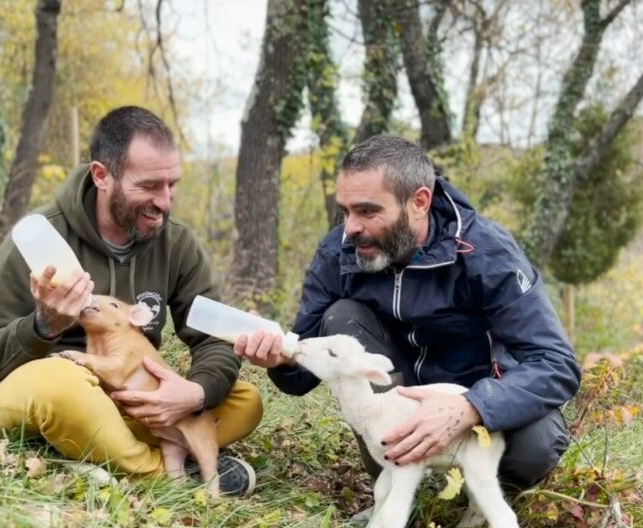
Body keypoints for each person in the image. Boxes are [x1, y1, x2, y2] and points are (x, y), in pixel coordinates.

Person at [236, 135, 578, 497]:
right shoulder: (339, 251)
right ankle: (392, 489)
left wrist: (472, 406)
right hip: (394, 398)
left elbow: (556, 363)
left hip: (473, 400)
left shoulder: (487, 253)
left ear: (419, 202)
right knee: (342, 316)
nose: (350, 227)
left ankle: (477, 500)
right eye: (346, 211)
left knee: (540, 441)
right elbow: (299, 376)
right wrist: (280, 358)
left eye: (367, 211)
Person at [0, 106, 261, 496]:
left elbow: (213, 337)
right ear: (102, 176)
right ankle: (161, 473)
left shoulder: (176, 243)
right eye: (150, 186)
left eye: (172, 185)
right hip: (39, 389)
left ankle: (88, 450)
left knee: (244, 401)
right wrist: (43, 325)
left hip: (120, 397)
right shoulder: (39, 239)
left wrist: (195, 393)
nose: (165, 202)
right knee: (62, 384)